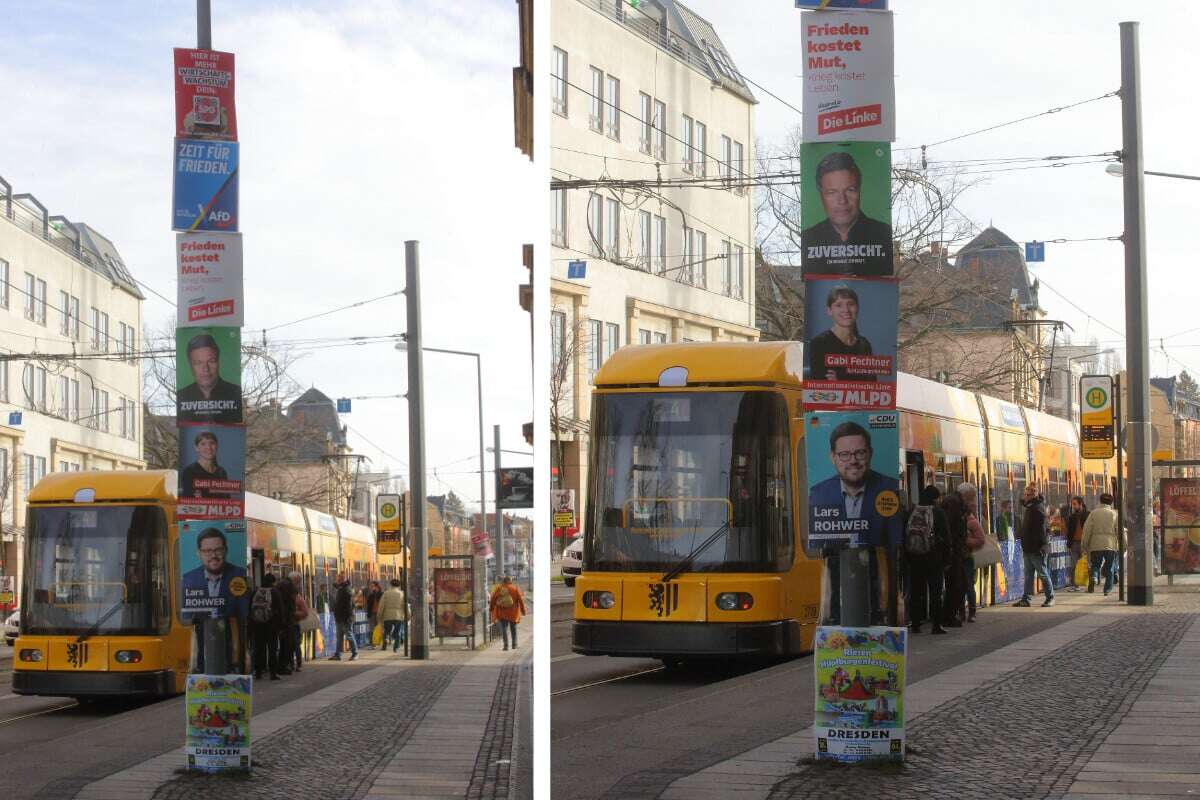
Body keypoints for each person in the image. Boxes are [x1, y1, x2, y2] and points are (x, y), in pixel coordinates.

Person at [801, 151, 892, 276]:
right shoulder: (809, 238)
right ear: (821, 195)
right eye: (832, 192)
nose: (842, 200)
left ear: (860, 190)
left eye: (850, 190)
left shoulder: (882, 234)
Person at [806, 285, 876, 382]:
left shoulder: (864, 345)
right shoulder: (819, 343)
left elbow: (872, 385)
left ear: (857, 308)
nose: (846, 310)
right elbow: (821, 388)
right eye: (839, 305)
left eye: (850, 304)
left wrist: (840, 381)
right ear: (829, 311)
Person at [905, 486, 949, 635]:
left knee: (916, 592)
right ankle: (936, 625)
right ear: (936, 498)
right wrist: (946, 559)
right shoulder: (938, 512)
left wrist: (908, 557)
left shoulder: (912, 511)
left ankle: (916, 624)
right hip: (934, 558)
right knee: (936, 593)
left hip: (915, 558)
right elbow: (946, 538)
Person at [180, 527, 247, 619]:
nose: (213, 555)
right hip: (201, 632)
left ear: (226, 550)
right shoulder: (188, 579)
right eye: (208, 551)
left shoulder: (241, 575)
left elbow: (244, 614)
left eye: (218, 550)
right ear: (199, 553)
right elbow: (186, 617)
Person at [176, 332, 243, 424]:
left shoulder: (235, 393)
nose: (206, 369)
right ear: (190, 365)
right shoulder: (182, 396)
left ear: (219, 362)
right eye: (198, 363)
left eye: (211, 361)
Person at [1014, 484, 1055, 608]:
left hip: (1036, 548)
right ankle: (1026, 599)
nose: (1025, 497)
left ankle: (1050, 597)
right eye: (1025, 494)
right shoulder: (1030, 507)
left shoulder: (1037, 508)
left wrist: (1043, 546)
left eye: (1028, 495)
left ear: (1034, 495)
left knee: (1042, 573)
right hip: (1028, 547)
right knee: (1028, 574)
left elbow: (1042, 530)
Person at [940, 487, 969, 627]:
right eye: (970, 498)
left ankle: (949, 615)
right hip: (953, 552)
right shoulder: (954, 503)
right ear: (965, 495)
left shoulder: (955, 502)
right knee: (956, 584)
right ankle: (947, 616)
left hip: (955, 550)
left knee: (960, 584)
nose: (971, 501)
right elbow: (950, 528)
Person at [958, 482, 986, 622]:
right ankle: (961, 612)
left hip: (967, 557)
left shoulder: (972, 521)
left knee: (968, 584)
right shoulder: (958, 516)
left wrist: (966, 541)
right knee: (960, 585)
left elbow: (981, 540)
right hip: (957, 556)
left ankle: (972, 612)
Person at [249, 573, 285, 680]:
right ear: (273, 582)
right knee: (272, 649)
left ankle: (258, 672)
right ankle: (273, 673)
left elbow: (250, 608)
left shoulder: (256, 591)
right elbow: (280, 609)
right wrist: (281, 625)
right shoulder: (275, 592)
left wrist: (251, 624)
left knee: (259, 649)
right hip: (272, 626)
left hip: (258, 625)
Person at [1083, 493, 1119, 596]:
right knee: (1110, 566)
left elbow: (1087, 530)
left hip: (1096, 544)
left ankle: (1094, 576)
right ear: (1111, 502)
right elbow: (1120, 530)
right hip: (1110, 544)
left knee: (1095, 564)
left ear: (1100, 501)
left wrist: (1084, 544)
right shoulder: (1114, 514)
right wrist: (1123, 544)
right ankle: (1107, 589)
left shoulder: (1093, 513)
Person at [179, 430, 231, 500]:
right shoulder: (189, 472)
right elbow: (188, 502)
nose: (209, 447)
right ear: (196, 448)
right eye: (203, 444)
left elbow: (227, 500)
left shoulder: (221, 472)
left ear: (217, 446)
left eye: (212, 443)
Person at [489, 576, 527, 651]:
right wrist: (523, 610)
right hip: (513, 612)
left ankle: (506, 646)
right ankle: (514, 645)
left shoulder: (499, 588)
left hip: (502, 612)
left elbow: (493, 598)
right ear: (510, 581)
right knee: (514, 628)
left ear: (503, 581)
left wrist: (492, 608)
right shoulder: (515, 588)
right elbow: (521, 600)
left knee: (504, 629)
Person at [329, 573, 358, 661]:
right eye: (337, 579)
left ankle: (355, 653)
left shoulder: (346, 590)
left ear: (342, 580)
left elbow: (349, 606)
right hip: (339, 617)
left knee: (349, 635)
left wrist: (348, 618)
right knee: (339, 636)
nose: (336, 581)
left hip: (345, 618)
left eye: (338, 579)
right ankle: (338, 654)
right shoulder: (342, 588)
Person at [1066, 496, 1090, 591]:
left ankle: (1088, 583)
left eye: (1075, 504)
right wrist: (1069, 544)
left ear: (1080, 504)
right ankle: (1074, 585)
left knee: (1087, 564)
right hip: (1075, 543)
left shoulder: (1088, 515)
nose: (1073, 506)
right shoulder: (1072, 516)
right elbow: (1070, 532)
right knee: (1073, 565)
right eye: (1072, 504)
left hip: (1085, 543)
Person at [274, 572, 297, 675]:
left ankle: (277, 667)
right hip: (286, 621)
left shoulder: (279, 584)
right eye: (298, 581)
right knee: (287, 644)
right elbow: (290, 605)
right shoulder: (289, 586)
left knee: (280, 644)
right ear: (295, 580)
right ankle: (282, 667)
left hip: (277, 619)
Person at [378, 578, 407, 653]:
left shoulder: (386, 593)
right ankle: (396, 647)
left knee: (386, 631)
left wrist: (379, 615)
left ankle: (385, 642)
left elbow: (381, 605)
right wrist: (408, 615)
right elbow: (405, 605)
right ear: (399, 585)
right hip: (398, 616)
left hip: (387, 616)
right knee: (397, 632)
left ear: (390, 585)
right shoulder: (402, 594)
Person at [288, 570, 309, 672]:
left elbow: (305, 612)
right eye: (297, 581)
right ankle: (291, 663)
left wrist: (294, 613)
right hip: (288, 624)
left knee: (295, 644)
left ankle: (297, 664)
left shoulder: (298, 597)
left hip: (294, 624)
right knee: (291, 645)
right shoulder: (290, 594)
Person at [365, 580, 383, 649]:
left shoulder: (381, 594)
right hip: (372, 613)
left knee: (378, 629)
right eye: (371, 586)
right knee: (372, 629)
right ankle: (372, 643)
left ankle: (377, 642)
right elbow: (368, 605)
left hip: (379, 614)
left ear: (377, 587)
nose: (371, 588)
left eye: (372, 586)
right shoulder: (371, 595)